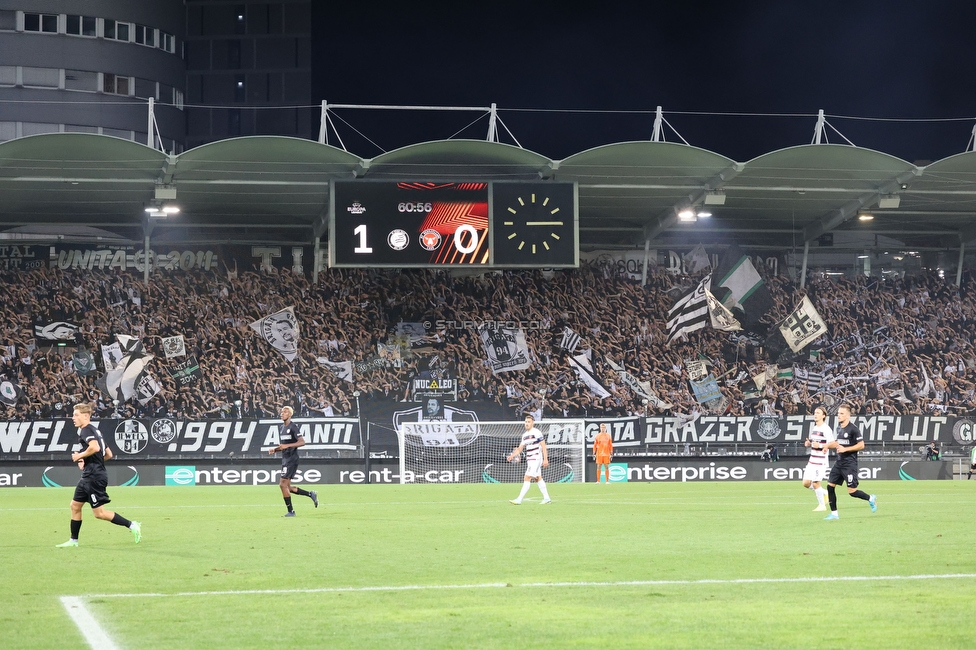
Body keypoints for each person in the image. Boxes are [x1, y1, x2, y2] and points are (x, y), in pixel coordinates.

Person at [56, 403, 141, 547]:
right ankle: (73, 540)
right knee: (75, 506)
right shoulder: (95, 431)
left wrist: (79, 456)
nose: (73, 418)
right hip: (90, 475)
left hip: (94, 477)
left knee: (99, 514)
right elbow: (108, 454)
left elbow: (94, 447)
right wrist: (87, 461)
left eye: (76, 415)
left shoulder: (85, 430)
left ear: (85, 416)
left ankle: (132, 525)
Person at [823, 403, 877, 521]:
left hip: (849, 464)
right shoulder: (839, 428)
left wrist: (845, 449)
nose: (839, 416)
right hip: (839, 462)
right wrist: (827, 446)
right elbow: (838, 442)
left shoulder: (853, 429)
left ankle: (870, 498)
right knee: (830, 486)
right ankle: (834, 514)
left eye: (842, 414)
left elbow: (861, 445)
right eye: (838, 413)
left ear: (848, 416)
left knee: (852, 492)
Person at [268, 406, 318, 517]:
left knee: (282, 485)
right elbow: (283, 446)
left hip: (291, 459)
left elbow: (302, 442)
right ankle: (310, 494)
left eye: (285, 412)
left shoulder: (293, 427)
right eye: (281, 412)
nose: (282, 414)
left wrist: (287, 446)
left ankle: (291, 512)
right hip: (285, 458)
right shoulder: (281, 427)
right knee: (287, 487)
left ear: (290, 414)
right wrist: (275, 450)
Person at [506, 415, 551, 504]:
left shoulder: (536, 432)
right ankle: (547, 498)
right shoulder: (525, 435)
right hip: (530, 459)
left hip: (536, 458)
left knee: (527, 477)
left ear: (532, 423)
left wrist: (545, 459)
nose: (527, 424)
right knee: (538, 478)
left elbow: (543, 446)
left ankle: (519, 499)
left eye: (529, 422)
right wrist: (512, 455)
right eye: (526, 422)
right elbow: (520, 449)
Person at [802, 405, 835, 512]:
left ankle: (822, 505)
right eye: (815, 413)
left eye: (818, 413)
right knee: (806, 483)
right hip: (812, 460)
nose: (815, 415)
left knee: (816, 483)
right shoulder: (815, 428)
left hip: (820, 461)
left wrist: (820, 446)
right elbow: (815, 443)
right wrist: (809, 443)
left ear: (824, 416)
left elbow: (833, 444)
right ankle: (825, 493)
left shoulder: (826, 429)